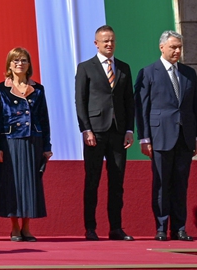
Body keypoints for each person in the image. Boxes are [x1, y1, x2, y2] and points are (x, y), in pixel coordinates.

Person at [135, 30, 197, 241]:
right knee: (162, 183)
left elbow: (194, 108)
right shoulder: (149, 72)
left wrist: (195, 136)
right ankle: (161, 227)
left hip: (185, 138)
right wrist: (144, 138)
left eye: (179, 47)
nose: (177, 51)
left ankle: (179, 228)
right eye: (173, 47)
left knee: (181, 184)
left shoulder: (189, 74)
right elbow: (142, 108)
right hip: (160, 137)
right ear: (162, 47)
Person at [74, 25, 135, 241]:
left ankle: (116, 228)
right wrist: (86, 129)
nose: (109, 44)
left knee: (117, 182)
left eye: (112, 40)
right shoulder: (86, 67)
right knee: (93, 180)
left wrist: (129, 129)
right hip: (95, 132)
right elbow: (80, 101)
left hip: (118, 132)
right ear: (96, 43)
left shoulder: (124, 68)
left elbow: (129, 101)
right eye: (105, 41)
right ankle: (90, 228)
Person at [0, 47, 51, 241]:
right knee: (13, 184)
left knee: (30, 184)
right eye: (15, 60)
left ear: (29, 64)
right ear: (9, 64)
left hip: (34, 140)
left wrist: (47, 146)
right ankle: (14, 226)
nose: (19, 63)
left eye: (23, 60)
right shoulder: (0, 89)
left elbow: (44, 118)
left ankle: (27, 227)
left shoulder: (38, 89)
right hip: (11, 142)